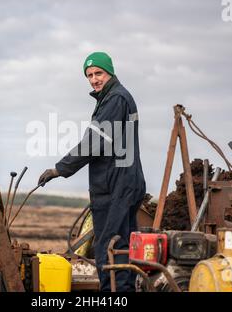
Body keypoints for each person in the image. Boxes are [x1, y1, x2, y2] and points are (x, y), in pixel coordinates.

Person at [38, 52, 146, 291]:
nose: (94, 79)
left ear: (110, 72)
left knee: (110, 249)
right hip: (121, 182)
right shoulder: (111, 98)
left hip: (116, 185)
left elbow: (93, 144)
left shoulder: (116, 99)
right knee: (122, 246)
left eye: (99, 73)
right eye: (89, 75)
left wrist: (59, 169)